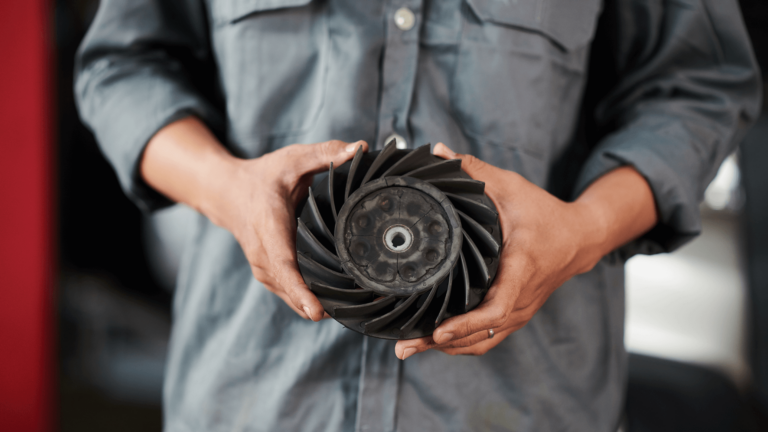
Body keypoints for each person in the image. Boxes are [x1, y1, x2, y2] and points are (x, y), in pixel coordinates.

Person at [74, 0, 761, 430]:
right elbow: (123, 67)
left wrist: (582, 231)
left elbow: (696, 89)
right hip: (255, 401)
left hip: (526, 407)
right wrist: (226, 186)